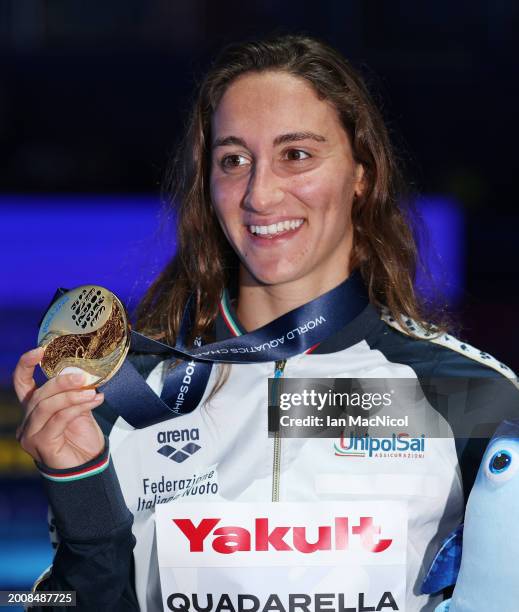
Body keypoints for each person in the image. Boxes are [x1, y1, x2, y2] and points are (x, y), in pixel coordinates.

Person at [13, 34, 518, 612]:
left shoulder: (471, 395)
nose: (261, 193)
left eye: (295, 155)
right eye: (234, 160)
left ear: (362, 173)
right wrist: (82, 496)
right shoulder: (122, 399)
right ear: (208, 185)